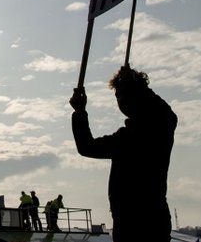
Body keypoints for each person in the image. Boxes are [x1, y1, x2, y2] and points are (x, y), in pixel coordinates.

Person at [70, 65, 177, 242]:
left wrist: (80, 112)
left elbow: (86, 146)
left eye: (123, 94)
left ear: (138, 96)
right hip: (151, 219)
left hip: (132, 224)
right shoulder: (161, 129)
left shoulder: (127, 139)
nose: (120, 100)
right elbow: (167, 114)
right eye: (118, 95)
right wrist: (139, 87)